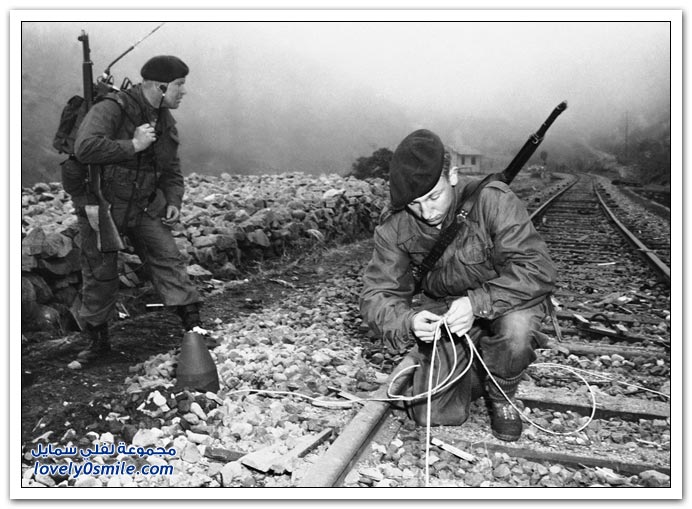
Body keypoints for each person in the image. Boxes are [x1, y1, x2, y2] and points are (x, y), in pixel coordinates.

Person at [359, 129, 557, 441]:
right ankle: (480, 362)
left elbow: (537, 269)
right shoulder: (394, 226)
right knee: (431, 413)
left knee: (516, 329)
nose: (427, 213)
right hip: (448, 317)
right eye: (414, 204)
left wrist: (476, 304)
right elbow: (376, 295)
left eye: (433, 197)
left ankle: (502, 394)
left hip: (506, 304)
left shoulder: (492, 200)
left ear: (452, 174)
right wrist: (409, 321)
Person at [71, 55, 202, 362]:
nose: (184, 91)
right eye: (179, 85)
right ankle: (97, 343)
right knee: (100, 273)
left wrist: (173, 201)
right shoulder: (112, 108)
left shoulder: (164, 119)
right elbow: (84, 147)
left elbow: (171, 169)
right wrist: (133, 145)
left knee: (168, 259)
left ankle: (195, 330)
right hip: (105, 205)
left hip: (144, 205)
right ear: (160, 86)